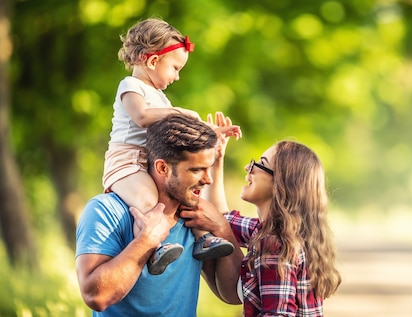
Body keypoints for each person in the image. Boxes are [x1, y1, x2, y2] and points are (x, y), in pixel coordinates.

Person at [103, 17, 238, 274]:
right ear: (153, 61)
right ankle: (153, 247)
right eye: (175, 68)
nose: (177, 77)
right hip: (126, 163)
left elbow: (175, 129)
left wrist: (212, 132)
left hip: (152, 161)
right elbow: (142, 116)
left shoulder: (161, 97)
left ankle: (203, 239)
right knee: (148, 200)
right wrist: (176, 111)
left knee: (187, 199)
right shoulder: (131, 86)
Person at [76, 114, 244, 315]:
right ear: (162, 168)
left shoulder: (196, 220)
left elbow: (234, 294)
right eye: (197, 170)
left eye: (209, 168)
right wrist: (147, 241)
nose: (207, 179)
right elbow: (96, 296)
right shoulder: (106, 210)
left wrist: (223, 229)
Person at [181, 139, 342, 316]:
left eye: (260, 165)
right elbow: (218, 217)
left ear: (280, 184)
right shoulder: (270, 231)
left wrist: (222, 228)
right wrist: (217, 160)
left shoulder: (277, 243)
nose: (248, 168)